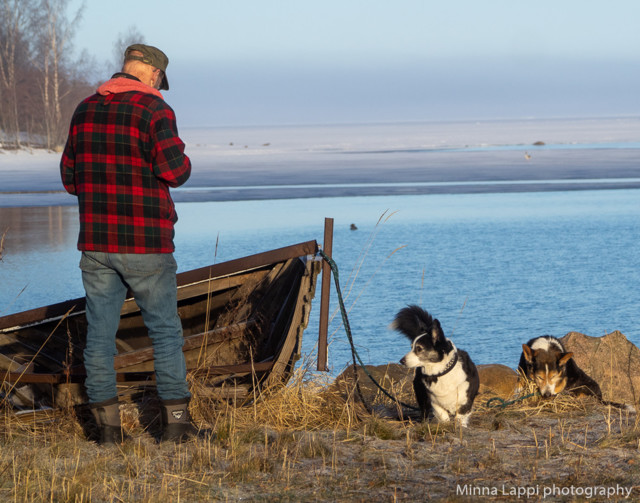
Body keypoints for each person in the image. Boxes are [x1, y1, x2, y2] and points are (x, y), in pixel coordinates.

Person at [60, 44, 195, 444]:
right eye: (160, 80)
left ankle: (107, 433)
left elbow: (70, 179)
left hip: (97, 244)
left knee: (99, 337)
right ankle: (176, 430)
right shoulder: (155, 110)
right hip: (146, 243)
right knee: (166, 333)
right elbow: (175, 170)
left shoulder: (84, 109)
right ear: (153, 74)